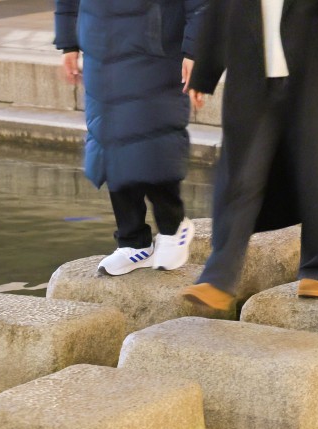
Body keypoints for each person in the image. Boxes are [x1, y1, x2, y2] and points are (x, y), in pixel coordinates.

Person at [181, 0, 318, 309]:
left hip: (316, 71)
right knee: (240, 176)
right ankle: (218, 277)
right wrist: (204, 72)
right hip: (251, 75)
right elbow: (219, 10)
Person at [54, 0, 207, 276]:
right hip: (101, 46)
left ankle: (173, 227)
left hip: (155, 46)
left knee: (153, 136)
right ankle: (132, 240)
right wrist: (69, 43)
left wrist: (194, 50)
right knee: (110, 139)